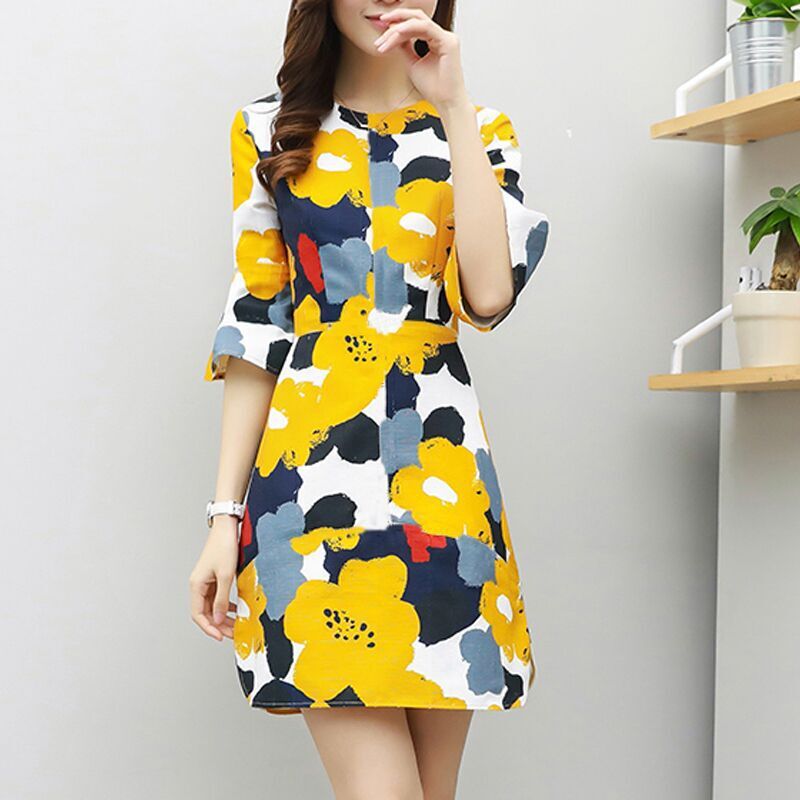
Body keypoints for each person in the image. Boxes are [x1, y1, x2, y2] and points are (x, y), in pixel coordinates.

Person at [189, 1, 550, 796]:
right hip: (308, 499)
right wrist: (222, 519)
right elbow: (257, 327)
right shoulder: (270, 132)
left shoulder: (480, 129)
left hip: (444, 493)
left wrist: (452, 101)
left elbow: (489, 295)